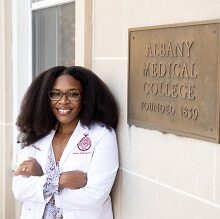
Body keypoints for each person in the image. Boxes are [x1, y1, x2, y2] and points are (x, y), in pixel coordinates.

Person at [12, 66, 119, 219]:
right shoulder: (37, 132)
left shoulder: (101, 135)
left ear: (85, 98)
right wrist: (61, 181)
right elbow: (19, 189)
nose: (63, 101)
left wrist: (41, 182)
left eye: (73, 94)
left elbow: (95, 196)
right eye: (56, 94)